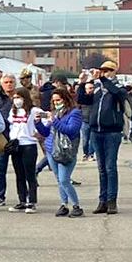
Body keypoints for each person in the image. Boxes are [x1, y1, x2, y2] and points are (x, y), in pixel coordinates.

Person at [79, 59, 127, 214]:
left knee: (110, 167)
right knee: (101, 168)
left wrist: (103, 79)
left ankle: (112, 201)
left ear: (114, 72)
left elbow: (117, 94)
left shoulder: (119, 87)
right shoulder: (98, 88)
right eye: (103, 70)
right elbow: (82, 100)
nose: (104, 73)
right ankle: (102, 200)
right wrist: (82, 84)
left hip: (112, 132)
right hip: (96, 131)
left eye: (108, 70)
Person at [41, 88, 84, 217]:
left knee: (64, 179)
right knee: (59, 179)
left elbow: (71, 130)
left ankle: (76, 206)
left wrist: (54, 121)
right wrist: (38, 123)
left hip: (66, 151)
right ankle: (64, 204)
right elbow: (46, 132)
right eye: (54, 101)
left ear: (66, 99)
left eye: (58, 100)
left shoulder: (75, 113)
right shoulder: (56, 113)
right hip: (52, 149)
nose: (56, 103)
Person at [5, 85, 43, 213]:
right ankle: (22, 200)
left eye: (19, 97)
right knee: (19, 173)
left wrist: (38, 132)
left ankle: (31, 201)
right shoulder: (13, 111)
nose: (16, 100)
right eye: (15, 98)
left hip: (29, 144)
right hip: (16, 144)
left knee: (29, 174)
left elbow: (47, 118)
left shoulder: (33, 110)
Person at [0, 74, 17, 206]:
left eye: (11, 82)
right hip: (3, 138)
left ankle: (24, 196)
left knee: (21, 170)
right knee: (0, 169)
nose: (9, 84)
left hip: (19, 138)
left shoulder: (21, 98)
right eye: (6, 82)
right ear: (1, 84)